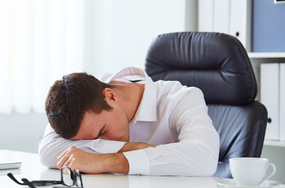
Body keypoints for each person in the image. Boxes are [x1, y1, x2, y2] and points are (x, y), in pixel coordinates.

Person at [38, 67, 220, 176]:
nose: (105, 141)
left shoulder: (181, 98)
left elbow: (205, 157)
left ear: (110, 96)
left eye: (102, 132)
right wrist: (134, 148)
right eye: (90, 141)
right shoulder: (80, 100)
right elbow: (47, 152)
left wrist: (107, 161)